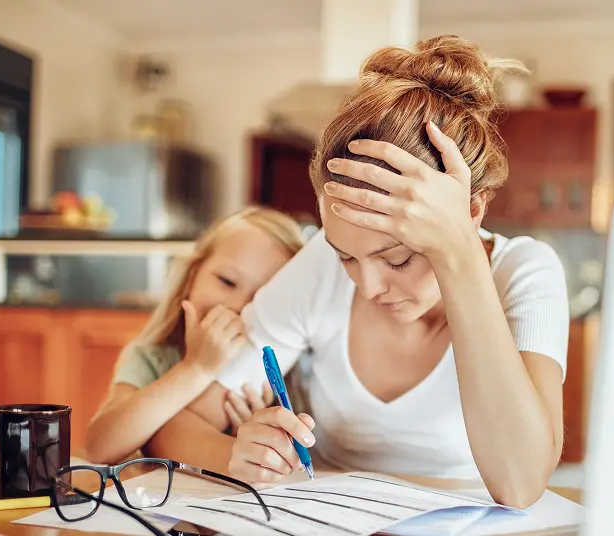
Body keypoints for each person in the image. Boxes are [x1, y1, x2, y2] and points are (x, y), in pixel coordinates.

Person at [145, 35, 569, 509]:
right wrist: (239, 455)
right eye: (346, 256)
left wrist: (461, 259)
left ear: (471, 212)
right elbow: (176, 426)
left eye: (397, 259)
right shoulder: (319, 269)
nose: (366, 286)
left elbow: (521, 483)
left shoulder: (524, 272)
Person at [84, 206, 306, 464]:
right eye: (227, 281)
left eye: (261, 298)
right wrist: (197, 368)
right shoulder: (154, 356)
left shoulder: (289, 370)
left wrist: (252, 436)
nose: (238, 305)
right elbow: (99, 447)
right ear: (192, 276)